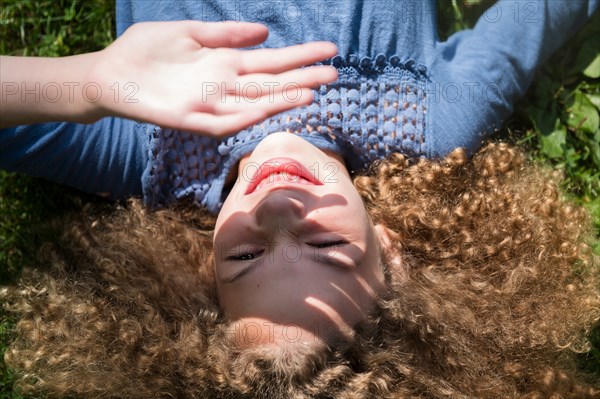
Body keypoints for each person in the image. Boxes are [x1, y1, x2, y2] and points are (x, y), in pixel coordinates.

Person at [1, 0, 599, 397]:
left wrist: (95, 81)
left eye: (245, 258)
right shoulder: (430, 122)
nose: (278, 209)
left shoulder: (144, 147)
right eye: (326, 245)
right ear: (389, 249)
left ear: (204, 263)